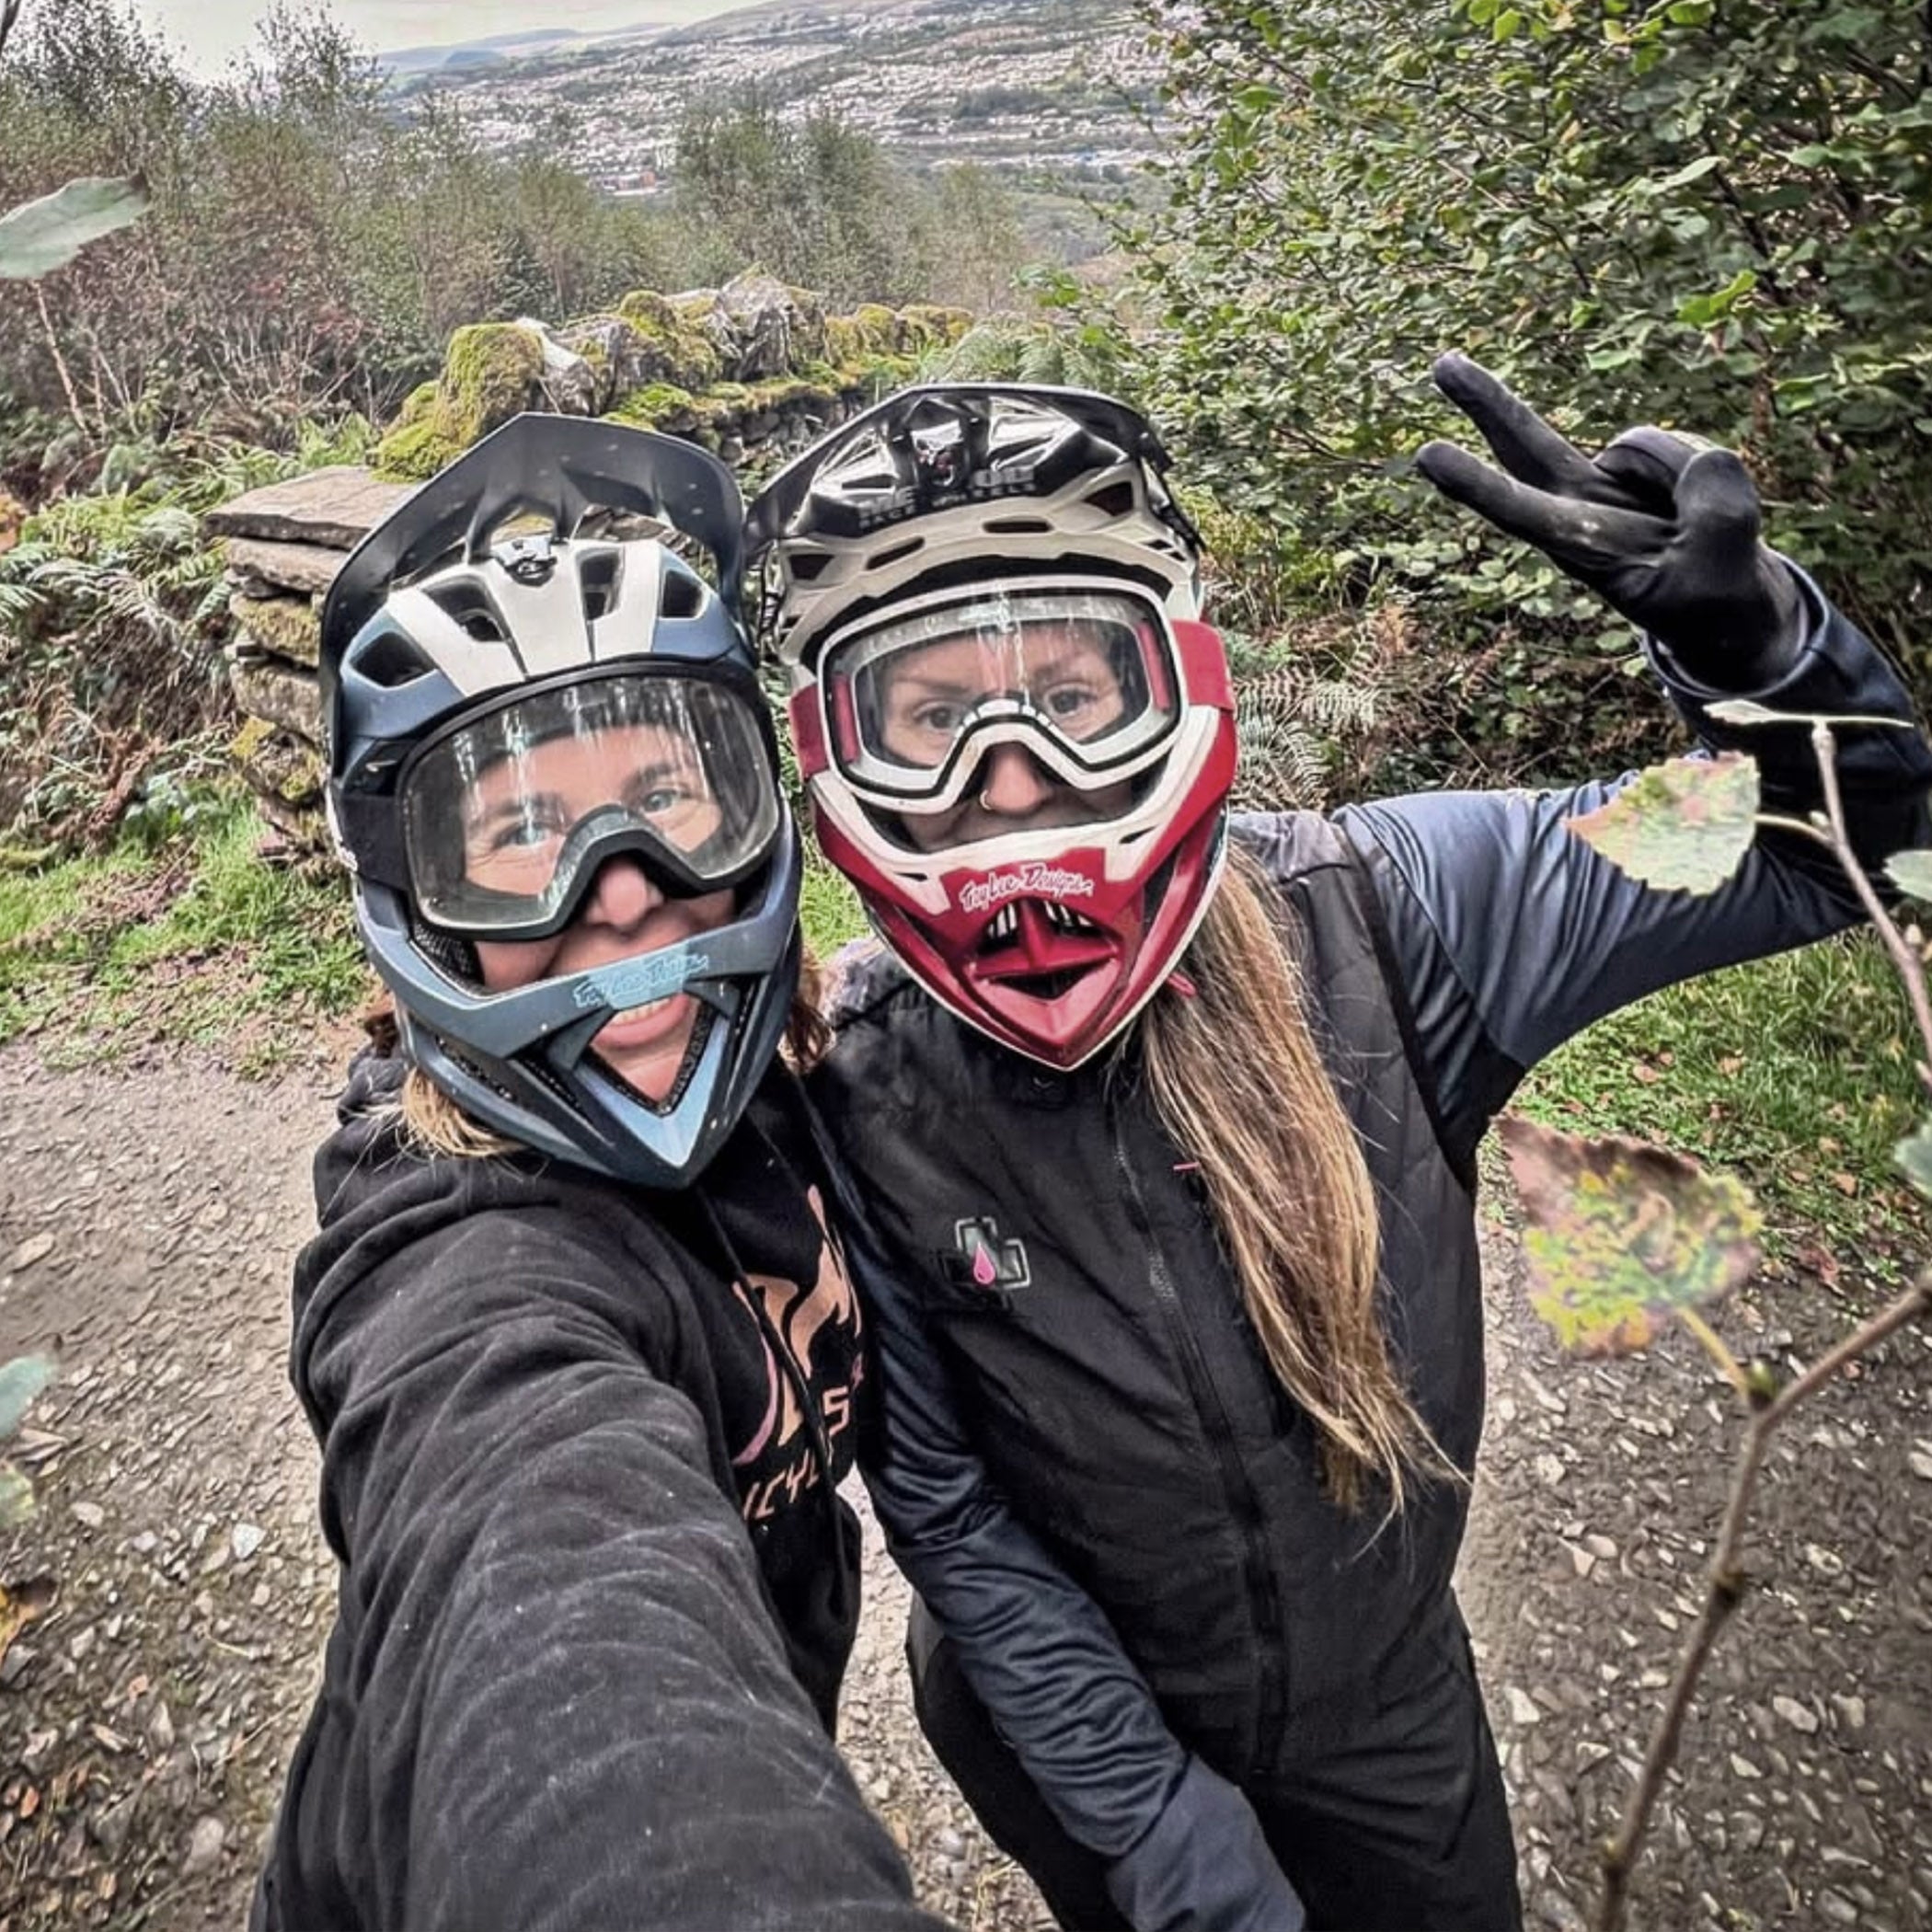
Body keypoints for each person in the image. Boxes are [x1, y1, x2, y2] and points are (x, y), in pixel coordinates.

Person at [742, 368, 1932, 1932]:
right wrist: (1161, 1829)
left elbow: (1825, 855)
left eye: (1072, 696)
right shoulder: (854, 1084)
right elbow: (949, 1512)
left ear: (1177, 685)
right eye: (934, 719)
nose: (1008, 778)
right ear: (840, 756)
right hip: (1069, 1734)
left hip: (1385, 1711)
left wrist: (1762, 649)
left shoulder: (1390, 920)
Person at [253, 414, 955, 1932]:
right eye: (519, 835)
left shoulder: (791, 1080)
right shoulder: (456, 1270)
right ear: (415, 900)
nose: (625, 890)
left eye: (672, 795)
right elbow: (527, 1530)